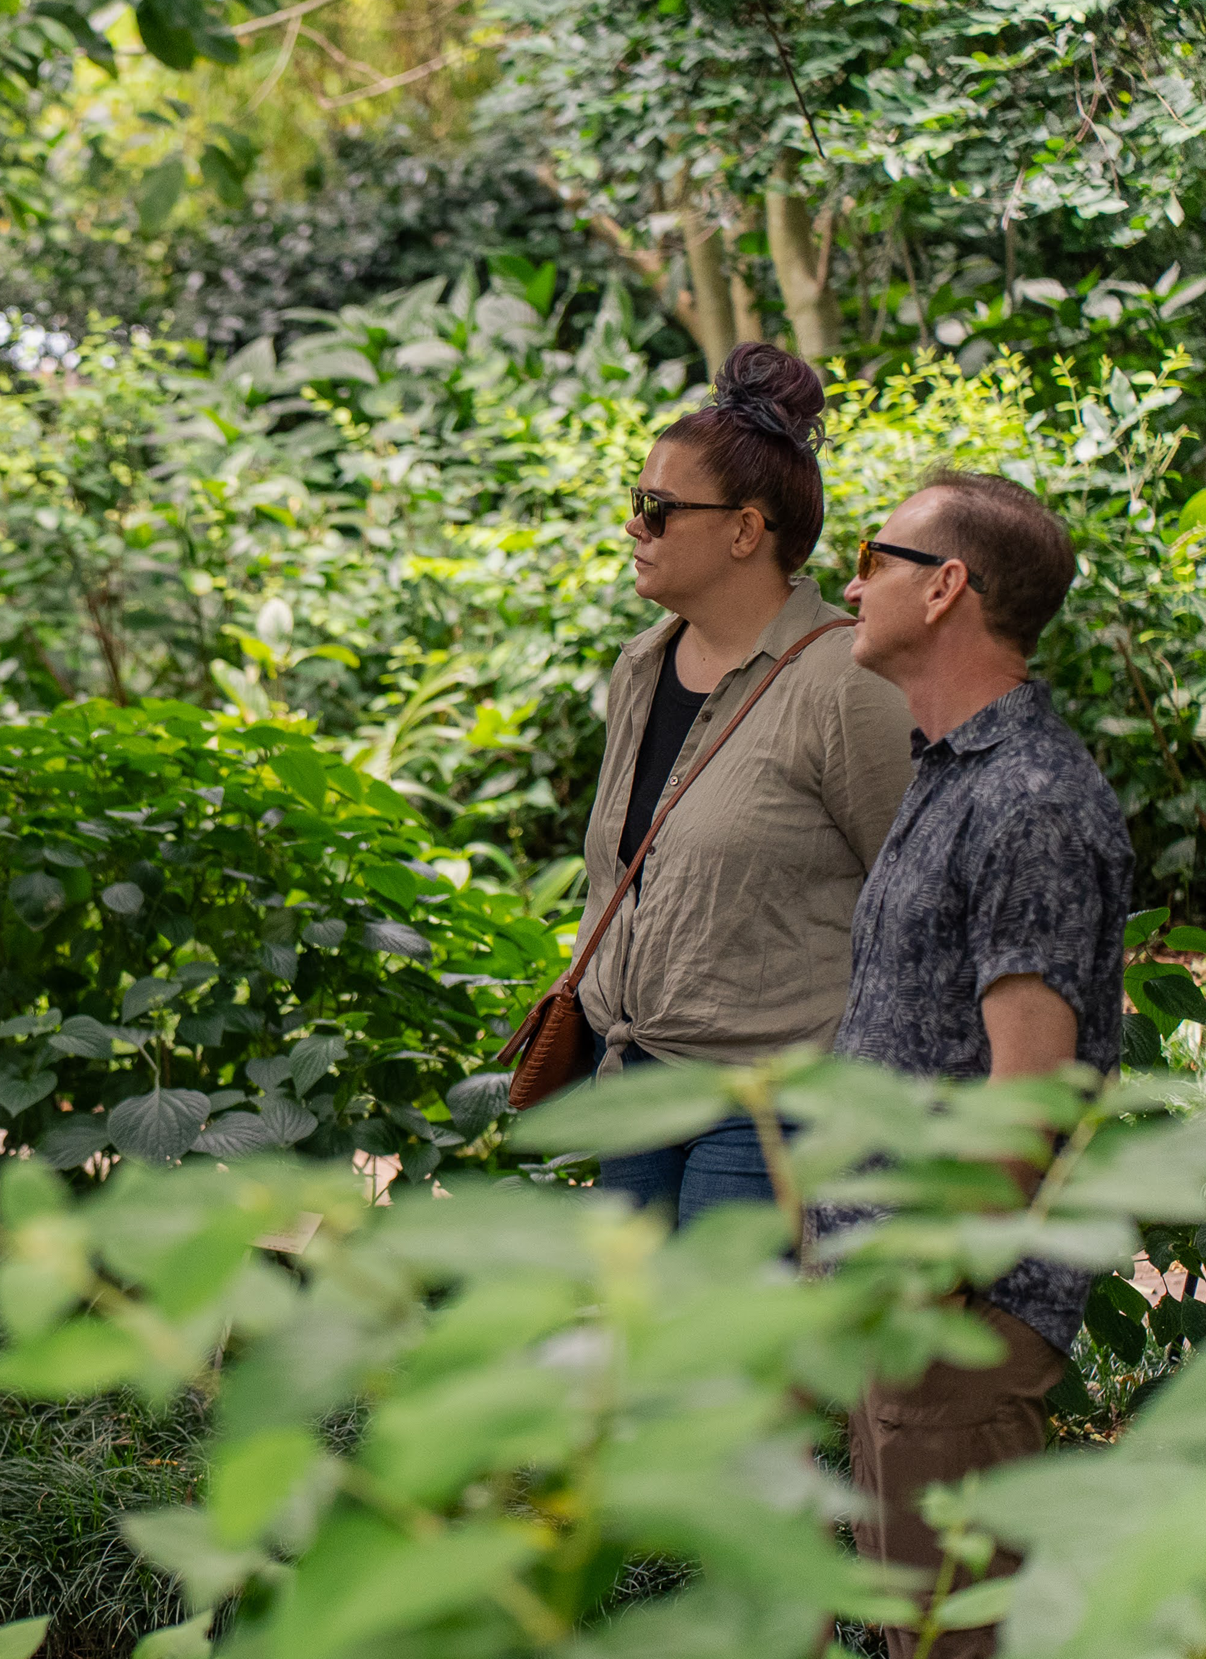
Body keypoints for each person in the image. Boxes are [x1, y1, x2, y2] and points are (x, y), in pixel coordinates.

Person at [831, 469, 1131, 1659]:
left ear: (946, 587)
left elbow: (1032, 1089)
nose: (850, 581)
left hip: (954, 1318)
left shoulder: (1030, 803)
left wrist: (938, 1290)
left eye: (875, 555)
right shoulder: (952, 773)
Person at [573, 343, 914, 1225]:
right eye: (635, 502)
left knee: (719, 1355)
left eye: (656, 508)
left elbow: (917, 898)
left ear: (744, 531)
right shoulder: (641, 668)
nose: (633, 527)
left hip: (770, 1106)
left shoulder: (847, 682)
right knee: (638, 1349)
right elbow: (621, 876)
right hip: (635, 1083)